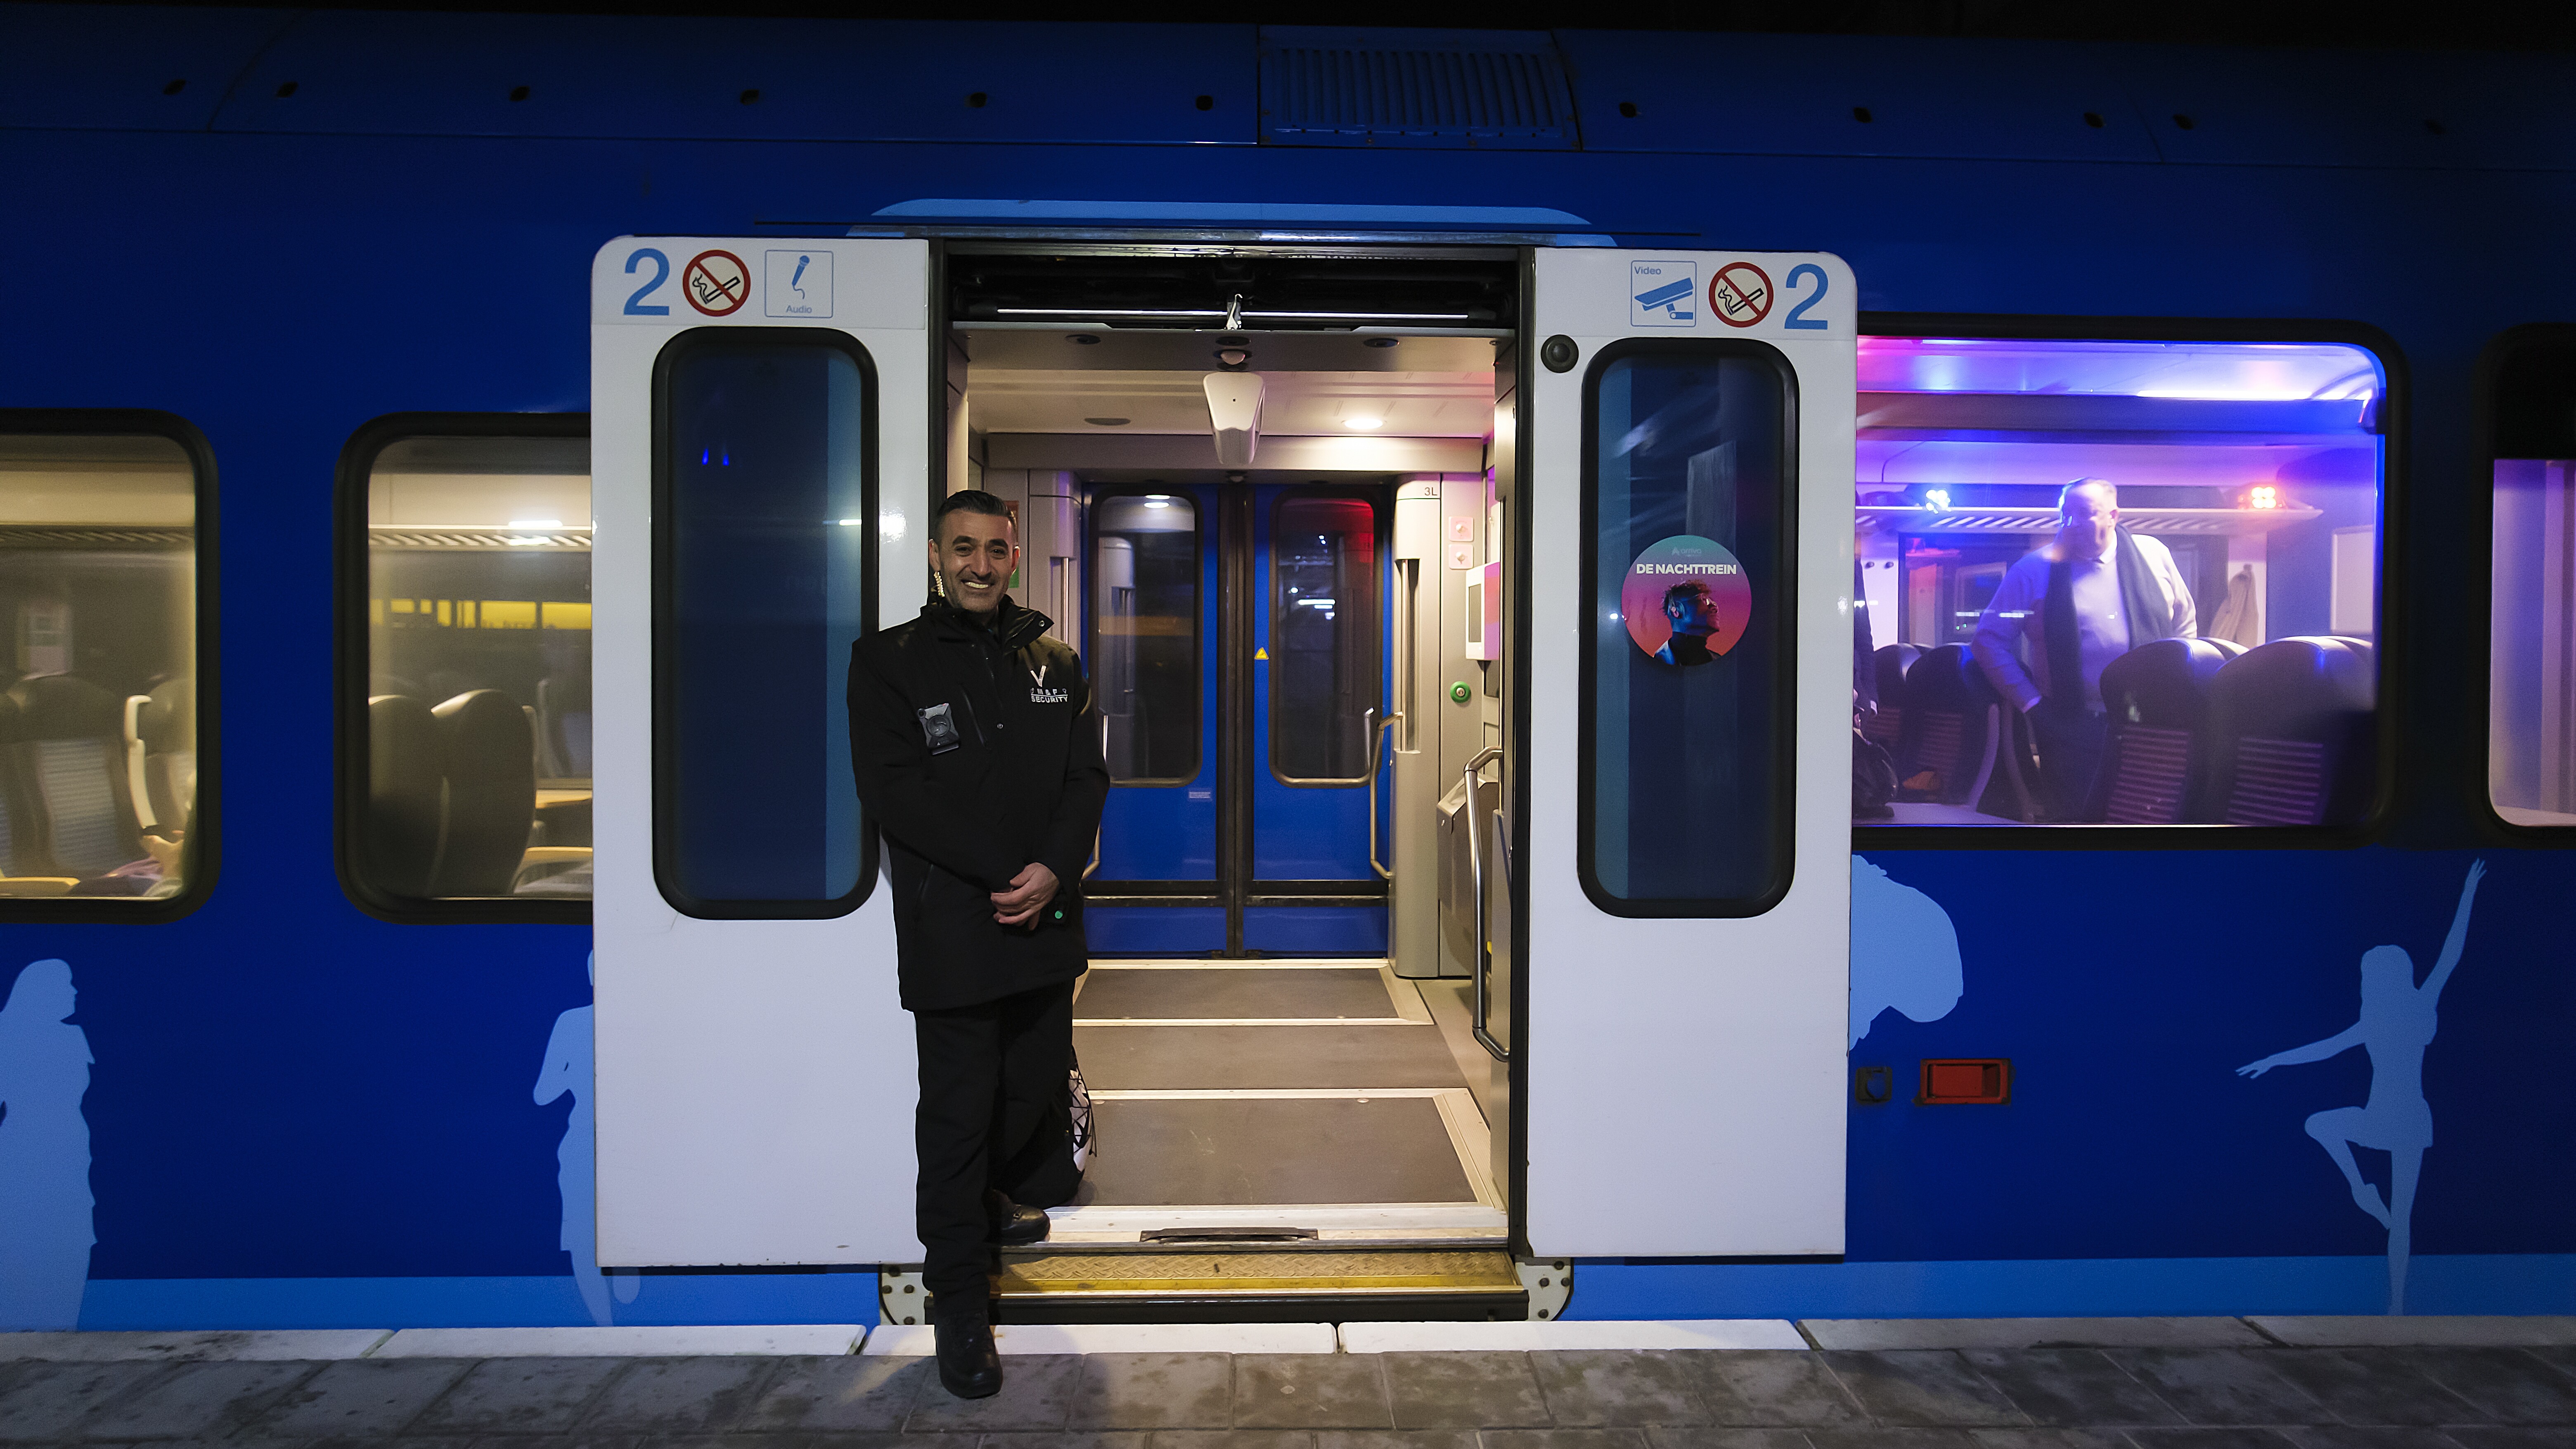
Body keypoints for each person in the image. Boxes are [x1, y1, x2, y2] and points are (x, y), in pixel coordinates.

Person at [845, 490, 1108, 1400]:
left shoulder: (1057, 659)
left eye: (996, 549)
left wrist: (1052, 871)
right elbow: (898, 795)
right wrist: (1014, 871)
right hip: (955, 927)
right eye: (964, 549)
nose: (981, 565)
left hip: (1045, 925)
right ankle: (958, 1301)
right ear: (934, 556)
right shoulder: (887, 662)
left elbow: (1087, 780)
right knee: (956, 1117)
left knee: (1029, 1083)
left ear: (1014, 554)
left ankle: (985, 1205)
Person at [2237, 859, 2484, 1314]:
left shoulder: (2376, 1020)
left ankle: (2359, 1189)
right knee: (2403, 1219)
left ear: (2373, 980)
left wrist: (2274, 1060)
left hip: (2382, 1119)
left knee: (2319, 1124)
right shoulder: (2419, 1010)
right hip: (2410, 1120)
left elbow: (2324, 1049)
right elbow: (2450, 956)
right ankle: (2394, 1305)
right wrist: (2467, 894)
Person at [1968, 479, 2196, 819]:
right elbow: (1988, 640)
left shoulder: (2154, 555)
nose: (2072, 523)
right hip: (2072, 726)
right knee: (2074, 828)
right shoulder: (2033, 569)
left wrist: (2179, 693)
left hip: (2152, 725)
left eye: (2085, 514)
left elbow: (2184, 628)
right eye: (2066, 514)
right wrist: (2031, 704)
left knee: (2145, 823)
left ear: (2113, 516)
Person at [1653, 578, 1722, 665]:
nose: (1715, 608)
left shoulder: (1719, 661)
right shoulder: (1652, 664)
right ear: (1676, 611)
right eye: (1705, 600)